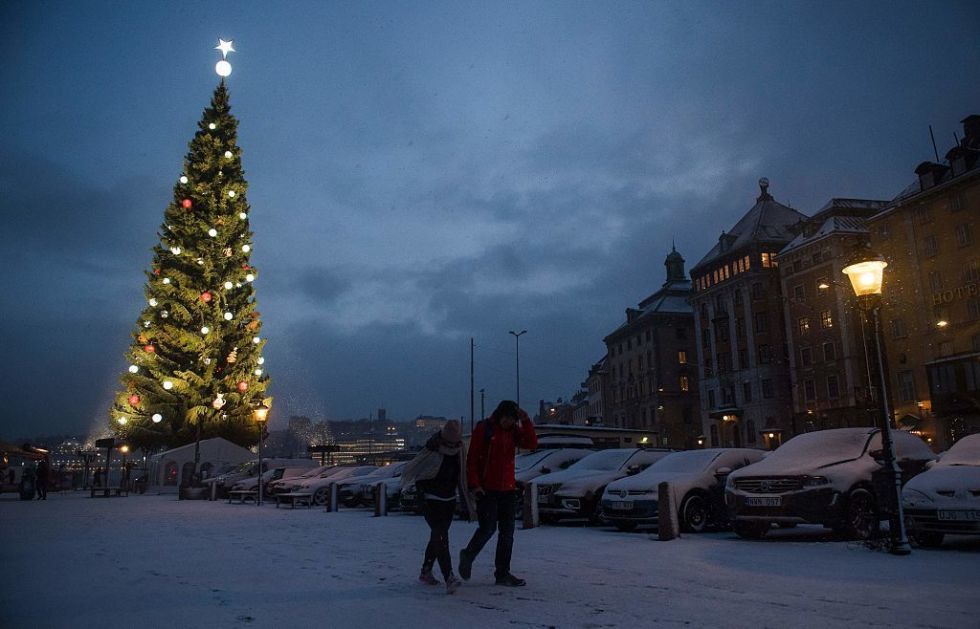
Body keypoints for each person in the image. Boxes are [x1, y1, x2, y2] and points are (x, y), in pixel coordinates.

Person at [459, 400, 537, 587]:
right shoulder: (484, 429)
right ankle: (468, 555)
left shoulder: (513, 431)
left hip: (507, 489)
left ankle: (502, 573)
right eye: (507, 419)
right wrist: (475, 485)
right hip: (487, 489)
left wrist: (526, 421)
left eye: (513, 420)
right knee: (488, 528)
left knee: (507, 533)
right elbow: (472, 460)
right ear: (500, 416)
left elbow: (531, 443)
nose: (509, 423)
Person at [400, 419, 473, 594]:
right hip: (431, 499)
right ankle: (449, 576)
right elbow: (416, 468)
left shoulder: (459, 449)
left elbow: (462, 473)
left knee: (438, 535)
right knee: (441, 536)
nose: (452, 444)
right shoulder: (432, 448)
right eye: (450, 441)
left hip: (448, 499)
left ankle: (426, 570)